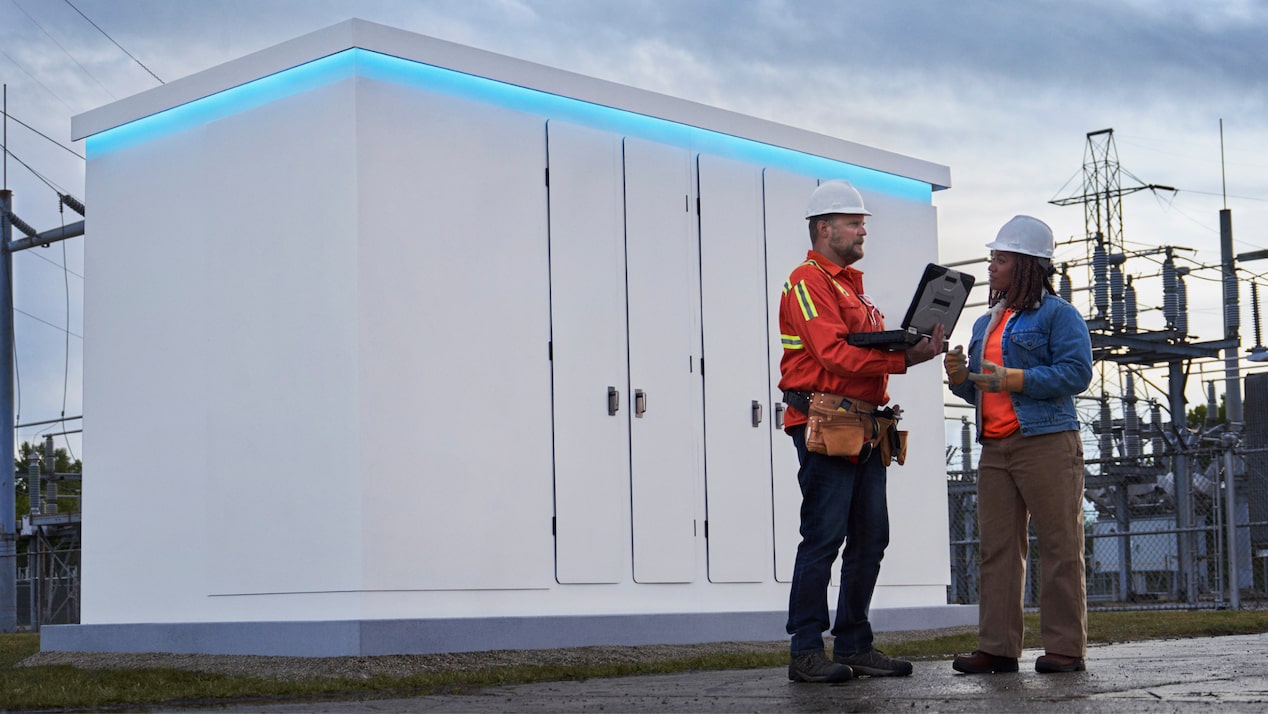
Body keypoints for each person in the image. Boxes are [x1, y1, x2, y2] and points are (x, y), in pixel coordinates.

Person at [778, 180, 944, 683]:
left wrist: (903, 346)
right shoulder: (807, 282)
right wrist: (903, 356)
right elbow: (832, 354)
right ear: (824, 227)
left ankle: (853, 643)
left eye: (863, 223)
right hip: (825, 423)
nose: (862, 230)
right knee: (824, 538)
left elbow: (858, 348)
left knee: (871, 537)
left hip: (863, 426)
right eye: (854, 223)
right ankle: (805, 651)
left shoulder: (850, 285)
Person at [945, 215, 1093, 675]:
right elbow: (979, 389)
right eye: (993, 257)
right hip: (996, 449)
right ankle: (998, 647)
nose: (991, 266)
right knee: (997, 550)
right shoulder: (984, 322)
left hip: (1046, 442)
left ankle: (1066, 649)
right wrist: (959, 379)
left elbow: (1077, 372)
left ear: (1028, 265)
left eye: (1001, 259)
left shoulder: (1059, 315)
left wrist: (1018, 378)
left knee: (1059, 545)